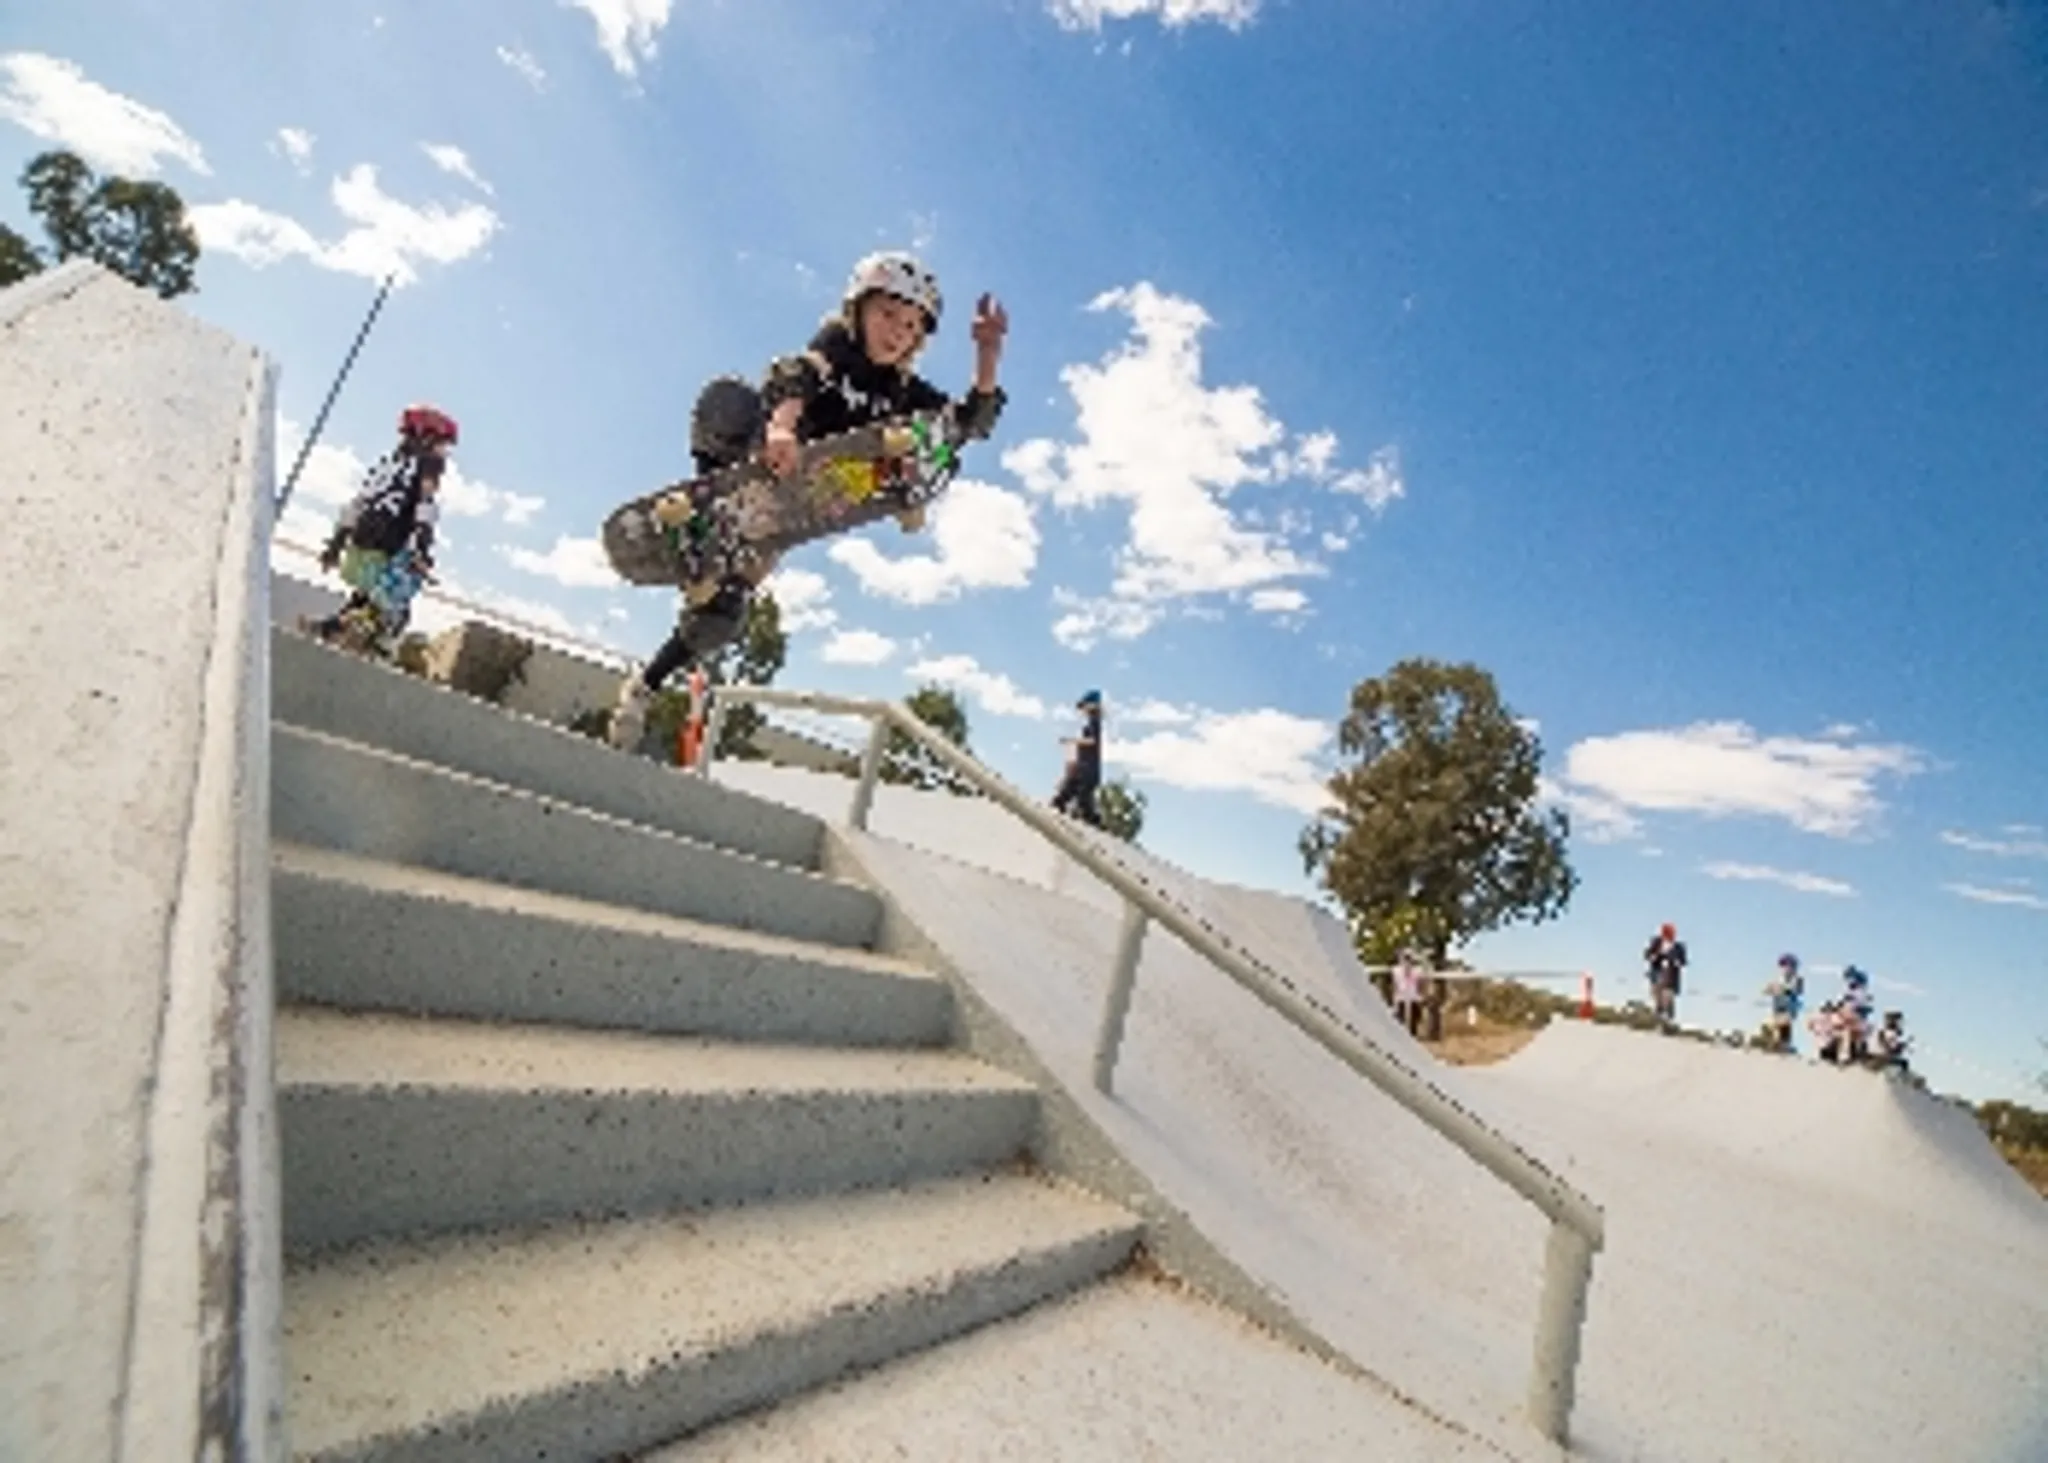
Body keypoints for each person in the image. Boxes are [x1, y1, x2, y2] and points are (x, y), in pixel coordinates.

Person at [611, 252, 1010, 750]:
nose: (897, 332)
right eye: (887, 315)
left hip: (791, 506)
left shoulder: (906, 391)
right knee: (728, 400)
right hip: (764, 454)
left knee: (722, 618)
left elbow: (968, 424)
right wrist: (781, 426)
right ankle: (710, 519)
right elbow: (796, 377)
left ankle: (645, 683)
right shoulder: (835, 349)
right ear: (858, 309)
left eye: (910, 326)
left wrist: (987, 357)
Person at [311, 404, 455, 652]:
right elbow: (425, 505)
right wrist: (422, 549)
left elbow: (357, 503)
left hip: (361, 540)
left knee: (367, 596)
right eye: (443, 443)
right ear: (427, 436)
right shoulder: (430, 462)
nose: (445, 451)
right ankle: (352, 636)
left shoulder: (388, 463)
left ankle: (332, 629)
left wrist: (336, 545)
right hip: (387, 541)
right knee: (394, 606)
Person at [1050, 689, 1104, 826]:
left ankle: (1095, 825)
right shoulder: (1092, 722)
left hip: (1088, 770)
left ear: (1093, 705)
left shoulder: (1095, 721)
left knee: (1083, 801)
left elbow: (1092, 741)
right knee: (1066, 793)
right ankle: (1056, 811)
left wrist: (1071, 741)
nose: (1083, 710)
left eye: (1085, 706)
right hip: (1083, 768)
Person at [1642, 922, 1687, 1027]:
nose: (1668, 935)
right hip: (1657, 973)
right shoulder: (1656, 942)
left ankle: (1668, 1016)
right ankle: (1659, 1013)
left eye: (1670, 933)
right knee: (1656, 995)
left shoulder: (1679, 947)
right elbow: (1647, 954)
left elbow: (1683, 962)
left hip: (1670, 976)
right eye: (1666, 932)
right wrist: (1654, 956)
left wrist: (1676, 962)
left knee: (1667, 995)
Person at [1765, 953, 1805, 1053]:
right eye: (1784, 966)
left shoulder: (1797, 979)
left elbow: (1797, 990)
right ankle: (1779, 1045)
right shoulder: (1778, 980)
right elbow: (1767, 990)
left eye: (1790, 966)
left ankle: (1783, 1046)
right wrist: (1774, 989)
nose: (1786, 968)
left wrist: (1784, 989)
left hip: (1789, 1009)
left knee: (1783, 1026)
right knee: (1775, 1026)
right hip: (1777, 1008)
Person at [1391, 947, 1425, 1038]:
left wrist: (1420, 997)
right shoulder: (1396, 970)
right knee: (1400, 1022)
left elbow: (1421, 985)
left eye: (1408, 958)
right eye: (1405, 958)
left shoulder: (1418, 970)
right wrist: (1395, 1001)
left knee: (1414, 1023)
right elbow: (1395, 986)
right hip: (1401, 999)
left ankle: (1413, 1038)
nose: (1407, 961)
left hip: (1414, 998)